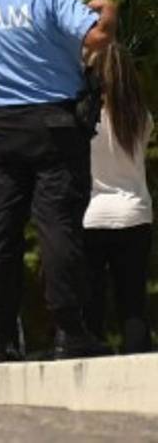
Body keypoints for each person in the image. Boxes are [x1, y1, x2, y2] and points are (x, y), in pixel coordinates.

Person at [0, 0, 117, 361]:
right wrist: (109, 9)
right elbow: (98, 36)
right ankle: (70, 330)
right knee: (58, 226)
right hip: (52, 126)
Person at [82, 42, 153, 354]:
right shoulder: (142, 118)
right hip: (135, 215)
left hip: (91, 216)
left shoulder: (85, 119)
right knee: (133, 306)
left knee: (91, 304)